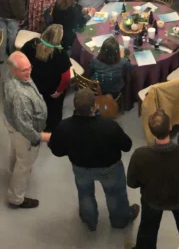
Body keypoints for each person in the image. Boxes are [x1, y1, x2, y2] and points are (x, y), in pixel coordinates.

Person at [49, 88, 138, 231]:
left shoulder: (64, 127)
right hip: (109, 168)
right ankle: (120, 221)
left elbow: (57, 151)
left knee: (85, 194)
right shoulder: (109, 126)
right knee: (114, 195)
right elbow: (127, 146)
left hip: (80, 167)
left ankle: (89, 220)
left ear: (74, 105)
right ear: (95, 105)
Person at [129, 109, 179, 249]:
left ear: (151, 131)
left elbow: (132, 183)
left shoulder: (140, 155)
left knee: (147, 231)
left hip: (152, 200)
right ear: (170, 127)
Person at [3, 52, 51, 209]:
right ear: (14, 70)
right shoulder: (20, 96)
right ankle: (16, 198)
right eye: (25, 70)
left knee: (17, 152)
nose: (29, 72)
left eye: (30, 67)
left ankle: (13, 169)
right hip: (24, 133)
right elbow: (24, 125)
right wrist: (40, 137)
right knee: (24, 165)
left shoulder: (14, 76)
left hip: (13, 127)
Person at [22, 24, 71, 131]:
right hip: (51, 89)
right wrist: (59, 91)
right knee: (53, 111)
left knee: (33, 105)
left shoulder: (32, 44)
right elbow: (66, 78)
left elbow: (20, 58)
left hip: (33, 84)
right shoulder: (61, 54)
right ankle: (50, 130)